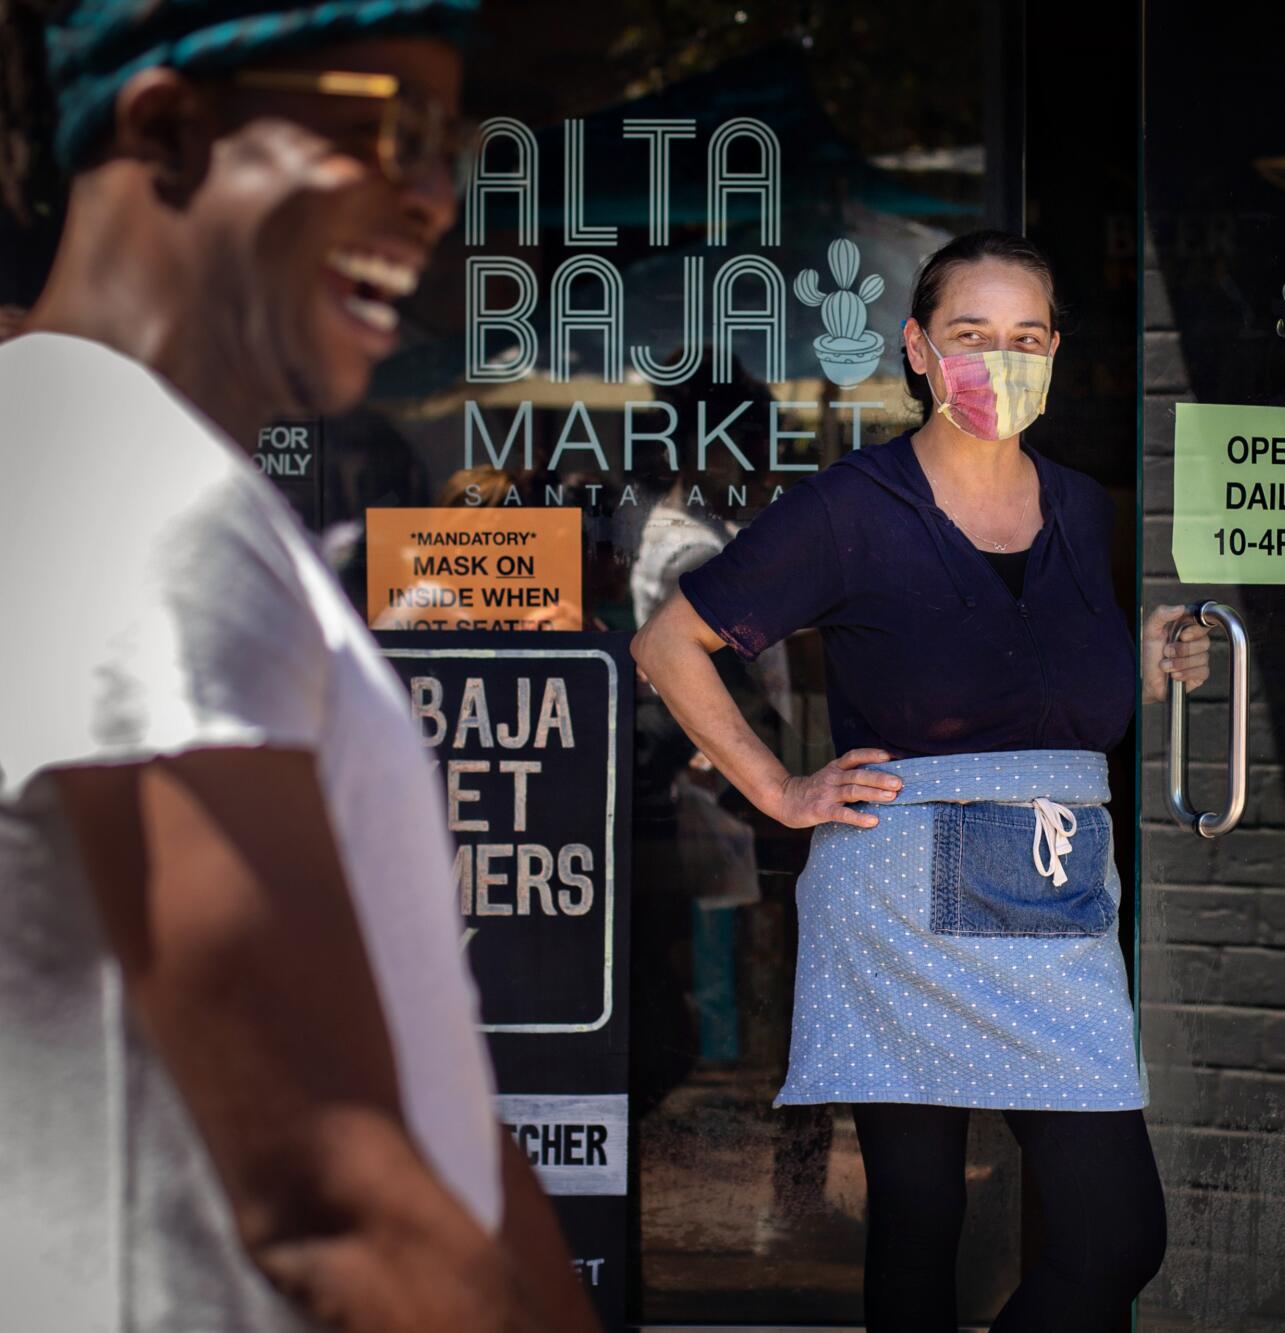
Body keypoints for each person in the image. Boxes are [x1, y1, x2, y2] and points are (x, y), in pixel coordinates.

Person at [0, 3, 595, 1329]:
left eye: (458, 146)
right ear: (167, 125)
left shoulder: (82, 457)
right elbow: (333, 1199)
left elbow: (436, 1126)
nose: (436, 196)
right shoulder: (136, 494)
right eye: (392, 131)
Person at [632, 229, 1209, 1331]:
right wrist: (780, 790)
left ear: (1055, 351)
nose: (1000, 361)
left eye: (1025, 338)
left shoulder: (1083, 508)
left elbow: (1049, 696)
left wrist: (1144, 659)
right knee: (917, 1213)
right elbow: (669, 642)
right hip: (899, 898)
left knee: (1113, 1231)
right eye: (969, 336)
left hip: (1061, 899)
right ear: (915, 348)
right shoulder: (852, 508)